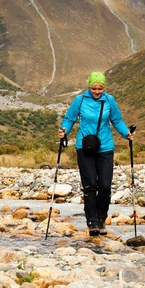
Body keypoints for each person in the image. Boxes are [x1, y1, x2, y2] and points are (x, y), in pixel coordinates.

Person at [58, 71, 135, 236]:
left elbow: (117, 120)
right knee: (90, 184)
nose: (97, 91)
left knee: (105, 185)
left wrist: (126, 133)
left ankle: (101, 218)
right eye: (94, 88)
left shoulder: (109, 100)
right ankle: (92, 221)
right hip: (84, 148)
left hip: (105, 147)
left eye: (100, 88)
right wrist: (64, 131)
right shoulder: (80, 100)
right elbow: (69, 119)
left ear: (104, 87)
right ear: (89, 86)